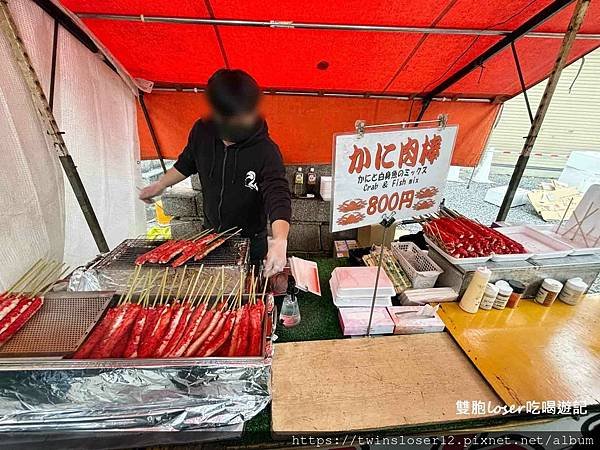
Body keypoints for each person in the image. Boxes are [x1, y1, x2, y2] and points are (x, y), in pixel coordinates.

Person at [139, 69, 291, 277]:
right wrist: (160, 185)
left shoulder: (266, 150)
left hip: (251, 240)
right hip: (210, 237)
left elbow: (278, 196)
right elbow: (186, 163)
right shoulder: (202, 132)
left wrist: (280, 240)